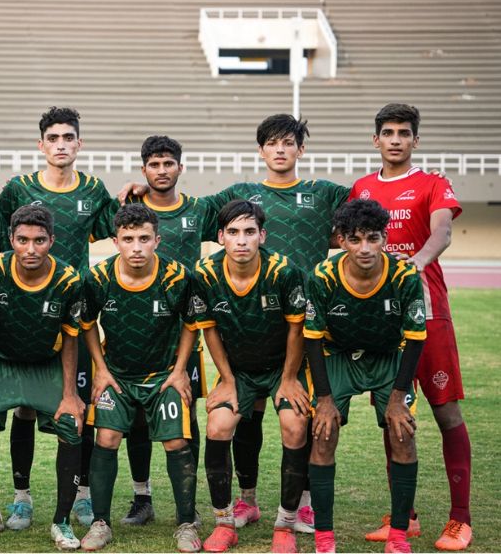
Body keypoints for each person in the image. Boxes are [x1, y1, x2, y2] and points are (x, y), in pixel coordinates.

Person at [119, 115, 348, 531]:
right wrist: (142, 194)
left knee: (302, 419)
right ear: (260, 150)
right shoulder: (239, 194)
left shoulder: (323, 193)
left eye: (288, 143)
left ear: (301, 149)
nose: (280, 150)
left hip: (305, 328)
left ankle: (304, 504)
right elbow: (181, 210)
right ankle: (243, 501)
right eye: (272, 143)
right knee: (245, 417)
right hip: (240, 329)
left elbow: (366, 220)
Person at [351, 103, 472, 551]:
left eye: (404, 132)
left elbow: (442, 231)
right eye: (388, 132)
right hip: (381, 319)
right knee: (392, 416)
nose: (396, 139)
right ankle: (405, 516)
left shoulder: (433, 183)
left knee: (445, 413)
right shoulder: (362, 190)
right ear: (376, 139)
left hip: (428, 310)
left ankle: (461, 519)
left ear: (415, 141)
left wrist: (416, 262)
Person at [0, 107, 115, 530]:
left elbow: (121, 229)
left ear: (79, 144)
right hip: (24, 319)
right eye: (53, 138)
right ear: (40, 144)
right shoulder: (17, 190)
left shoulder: (95, 190)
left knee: (77, 407)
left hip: (74, 320)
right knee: (24, 411)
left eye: (68, 138)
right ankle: (21, 498)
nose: (60, 145)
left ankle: (81, 495)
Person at [186, 200, 312, 553]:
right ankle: (226, 522)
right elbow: (208, 329)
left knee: (294, 425)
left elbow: (296, 330)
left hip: (281, 368)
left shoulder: (284, 272)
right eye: (234, 233)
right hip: (238, 370)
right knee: (218, 425)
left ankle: (285, 525)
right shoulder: (205, 274)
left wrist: (288, 378)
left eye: (250, 232)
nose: (242, 241)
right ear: (221, 237)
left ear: (262, 236)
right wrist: (225, 378)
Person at [304, 198, 426, 554]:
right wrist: (325, 400)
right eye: (355, 239)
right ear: (341, 241)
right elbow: (311, 339)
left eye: (373, 238)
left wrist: (397, 397)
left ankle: (400, 535)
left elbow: (416, 339)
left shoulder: (403, 276)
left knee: (403, 434)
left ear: (385, 239)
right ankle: (324, 537)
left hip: (388, 356)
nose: (365, 248)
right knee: (323, 434)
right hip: (338, 355)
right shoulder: (323, 276)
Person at [77, 204, 200, 552]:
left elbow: (192, 323)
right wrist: (100, 368)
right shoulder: (98, 278)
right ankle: (101, 523)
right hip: (115, 376)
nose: (136, 247)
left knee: (176, 442)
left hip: (163, 376)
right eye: (128, 239)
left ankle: (186, 523)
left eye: (144, 238)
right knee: (107, 437)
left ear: (157, 240)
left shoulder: (178, 277)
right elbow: (87, 324)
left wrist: (179, 371)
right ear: (116, 241)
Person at [0, 205, 87, 550]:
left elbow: (71, 337)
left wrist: (68, 394)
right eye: (22, 240)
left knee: (71, 424)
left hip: (44, 361)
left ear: (52, 240)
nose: (30, 249)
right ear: (11, 240)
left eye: (39, 240)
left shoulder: (68, 279)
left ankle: (62, 523)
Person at [118, 135, 217, 525]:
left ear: (180, 167)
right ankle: (142, 497)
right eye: (154, 165)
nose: (162, 170)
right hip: (138, 326)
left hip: (185, 329)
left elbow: (234, 229)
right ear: (143, 170)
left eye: (168, 163)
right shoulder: (130, 207)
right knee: (139, 416)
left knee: (186, 413)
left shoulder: (200, 209)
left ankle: (185, 503)